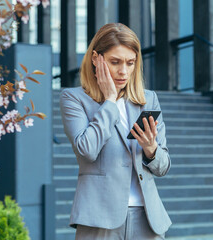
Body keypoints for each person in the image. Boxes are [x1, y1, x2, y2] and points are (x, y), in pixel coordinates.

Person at [60, 23, 172, 240]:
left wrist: (151, 150)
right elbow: (87, 150)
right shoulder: (74, 99)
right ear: (96, 58)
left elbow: (163, 166)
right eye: (115, 62)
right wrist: (110, 100)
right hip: (99, 218)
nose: (123, 71)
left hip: (148, 219)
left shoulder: (148, 100)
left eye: (130, 63)